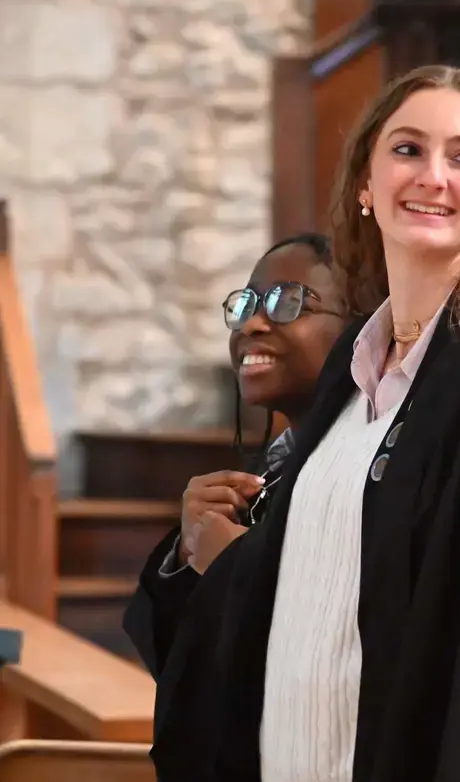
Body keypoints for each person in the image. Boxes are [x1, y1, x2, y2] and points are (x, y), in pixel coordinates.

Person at [132, 65, 460, 782]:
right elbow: (307, 584)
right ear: (368, 186)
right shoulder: (349, 375)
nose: (433, 176)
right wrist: (204, 557)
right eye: (408, 149)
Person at [124, 231, 349, 676]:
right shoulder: (266, 474)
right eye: (246, 304)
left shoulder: (365, 474)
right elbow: (182, 675)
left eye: (289, 302)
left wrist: (234, 568)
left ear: (361, 325)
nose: (251, 325)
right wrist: (186, 559)